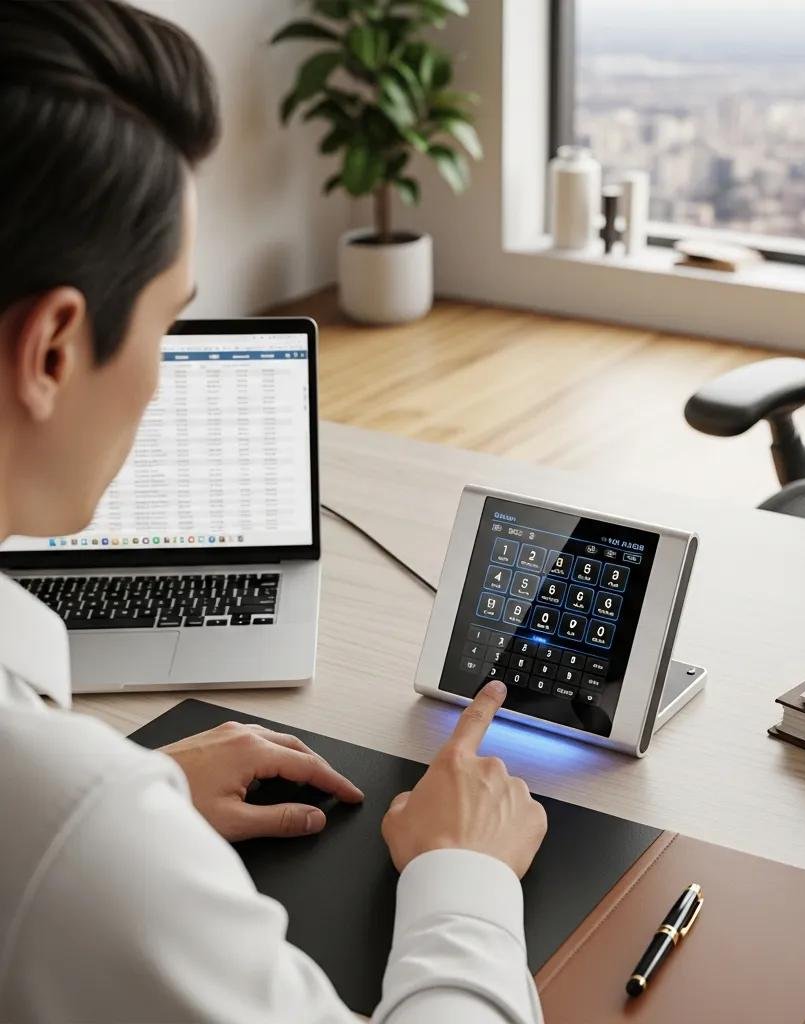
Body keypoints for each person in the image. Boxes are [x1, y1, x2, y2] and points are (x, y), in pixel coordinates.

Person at [0, 2, 548, 1021]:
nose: (162, 380)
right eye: (169, 320)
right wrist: (464, 876)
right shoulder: (60, 817)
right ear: (52, 350)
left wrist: (126, 799)